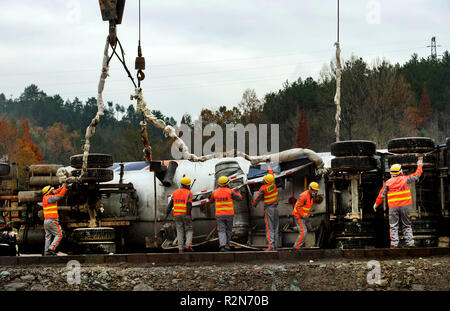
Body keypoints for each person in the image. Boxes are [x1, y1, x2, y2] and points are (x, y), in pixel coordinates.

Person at [373, 157, 423, 248]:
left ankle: (394, 244)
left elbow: (381, 195)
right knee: (406, 224)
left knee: (393, 226)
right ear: (400, 171)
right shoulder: (405, 179)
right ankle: (410, 243)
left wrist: (376, 204)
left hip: (393, 207)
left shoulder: (388, 182)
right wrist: (419, 164)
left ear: (391, 173)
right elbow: (417, 175)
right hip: (405, 206)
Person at [210, 176, 243, 252]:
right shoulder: (230, 191)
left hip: (219, 215)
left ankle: (222, 246)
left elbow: (211, 200)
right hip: (229, 214)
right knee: (228, 230)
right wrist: (238, 192)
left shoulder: (215, 192)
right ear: (227, 183)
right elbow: (239, 198)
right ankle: (227, 246)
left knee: (221, 230)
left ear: (219, 184)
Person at [165, 177, 194, 253]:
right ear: (187, 186)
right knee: (189, 230)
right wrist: (188, 215)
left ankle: (180, 249)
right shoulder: (189, 193)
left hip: (177, 215)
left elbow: (170, 204)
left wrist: (166, 214)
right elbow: (189, 205)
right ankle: (188, 245)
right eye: (189, 185)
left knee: (179, 231)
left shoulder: (175, 192)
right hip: (185, 214)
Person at [253, 170, 279, 251]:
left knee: (269, 228)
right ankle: (275, 246)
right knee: (275, 227)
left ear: (265, 181)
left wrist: (254, 204)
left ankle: (270, 247)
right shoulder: (274, 185)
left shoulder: (263, 188)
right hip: (275, 209)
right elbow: (271, 176)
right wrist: (270, 169)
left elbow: (257, 199)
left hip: (269, 210)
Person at [41, 184, 68, 256]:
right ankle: (51, 248)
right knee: (59, 235)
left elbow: (55, 191)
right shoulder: (50, 198)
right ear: (49, 192)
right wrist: (65, 188)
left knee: (48, 237)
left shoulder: (45, 197)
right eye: (51, 190)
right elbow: (60, 196)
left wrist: (62, 187)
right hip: (52, 220)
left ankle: (46, 252)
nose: (53, 190)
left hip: (46, 221)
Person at [292, 182, 319, 250]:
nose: (315, 192)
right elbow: (298, 207)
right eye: (314, 190)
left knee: (309, 229)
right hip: (299, 216)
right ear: (310, 189)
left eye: (316, 190)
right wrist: (303, 215)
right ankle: (296, 247)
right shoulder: (303, 195)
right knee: (303, 231)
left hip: (304, 216)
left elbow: (305, 207)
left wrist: (306, 216)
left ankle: (296, 228)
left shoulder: (311, 196)